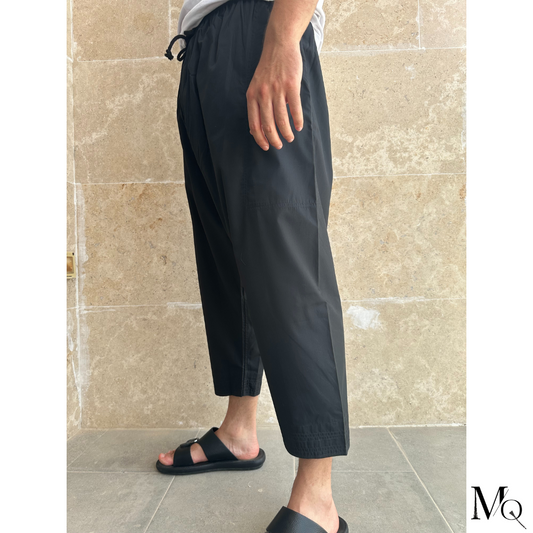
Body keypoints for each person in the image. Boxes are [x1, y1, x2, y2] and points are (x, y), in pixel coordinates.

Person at [158, 0, 350, 531]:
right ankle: (238, 432)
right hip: (203, 46)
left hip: (260, 25)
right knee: (226, 259)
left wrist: (282, 39)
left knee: (289, 265)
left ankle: (317, 497)